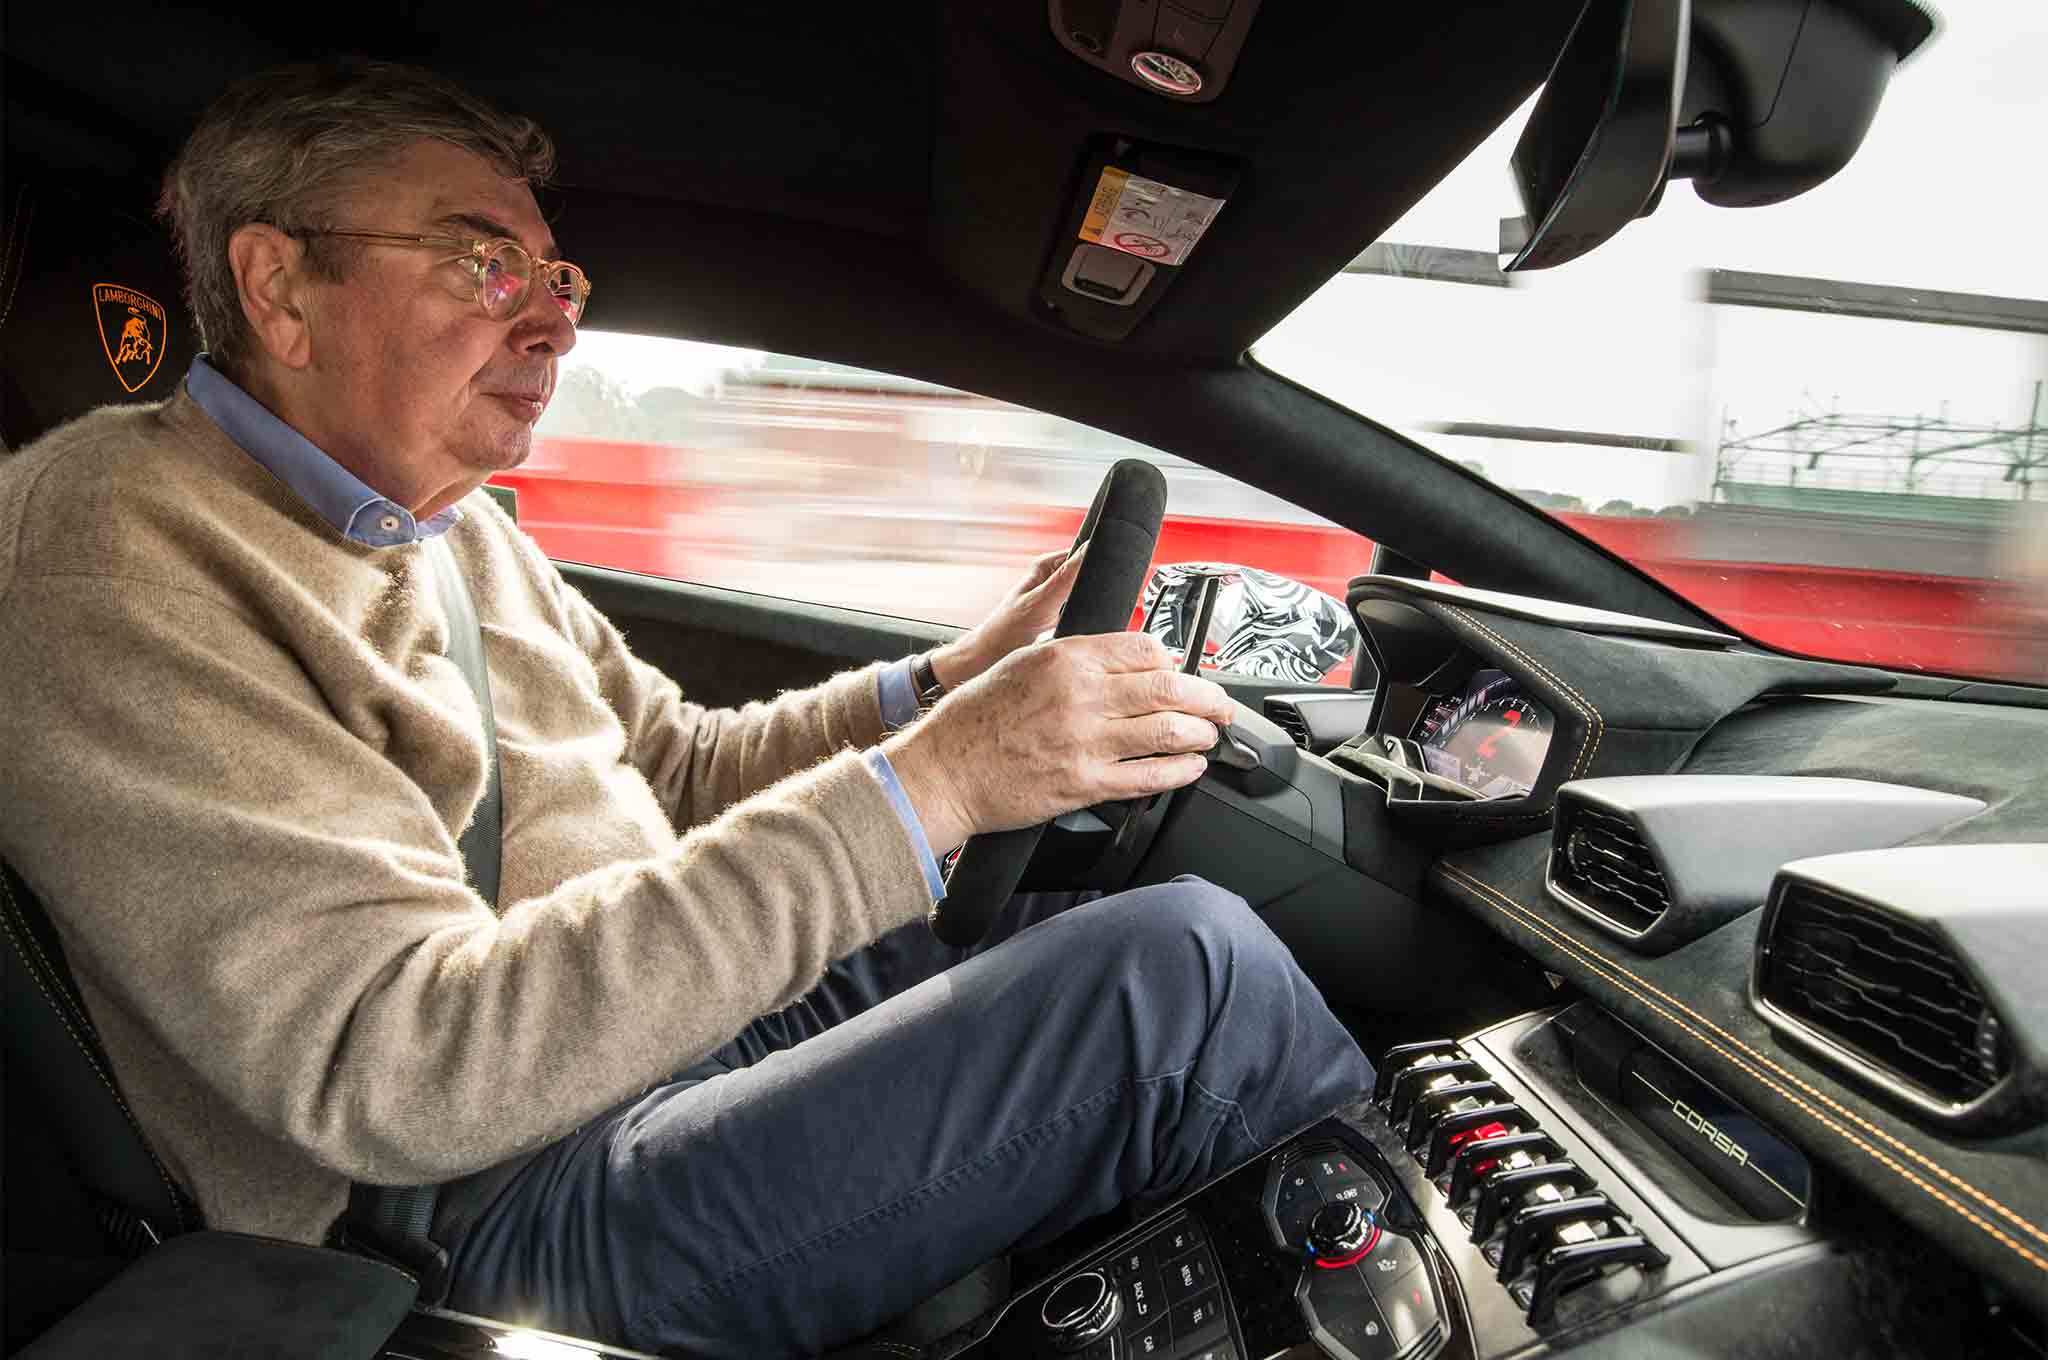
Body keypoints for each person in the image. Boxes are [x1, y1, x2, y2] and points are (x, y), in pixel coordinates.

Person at [0, 60, 1369, 1356]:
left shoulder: (445, 526)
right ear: (279, 286)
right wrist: (939, 784)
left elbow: (676, 764)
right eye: (485, 262)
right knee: (1177, 985)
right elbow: (398, 1065)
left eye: (556, 273)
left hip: (639, 1036)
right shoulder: (110, 557)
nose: (553, 315)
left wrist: (948, 685)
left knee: (1112, 926)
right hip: (463, 1205)